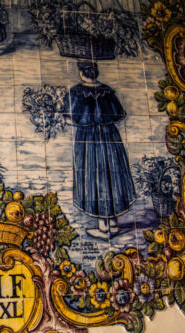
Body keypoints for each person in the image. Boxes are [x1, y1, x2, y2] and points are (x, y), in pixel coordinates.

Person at [71, 61, 136, 240]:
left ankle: (103, 226)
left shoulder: (77, 92)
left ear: (82, 73)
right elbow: (118, 115)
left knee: (95, 176)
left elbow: (72, 117)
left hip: (89, 138)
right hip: (110, 136)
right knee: (111, 175)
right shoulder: (107, 91)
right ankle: (113, 223)